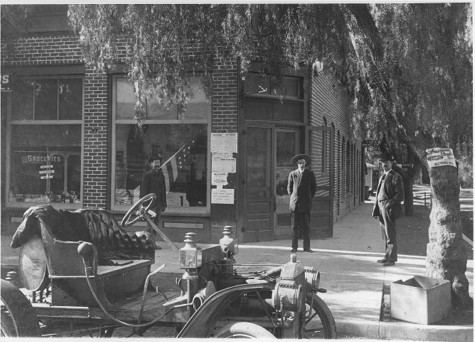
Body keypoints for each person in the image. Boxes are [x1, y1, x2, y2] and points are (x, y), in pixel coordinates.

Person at [372, 153, 404, 266]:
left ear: (392, 163)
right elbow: (378, 194)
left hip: (388, 208)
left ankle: (391, 258)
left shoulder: (396, 176)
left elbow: (400, 195)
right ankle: (386, 255)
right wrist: (376, 208)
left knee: (390, 233)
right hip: (380, 208)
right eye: (382, 162)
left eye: (387, 162)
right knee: (385, 234)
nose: (384, 164)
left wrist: (388, 204)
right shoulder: (383, 176)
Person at [287, 154, 317, 253]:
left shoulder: (310, 174)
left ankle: (307, 247)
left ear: (306, 164)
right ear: (297, 164)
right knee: (294, 227)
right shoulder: (293, 174)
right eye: (299, 163)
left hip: (305, 205)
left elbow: (313, 188)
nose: (301, 165)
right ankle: (294, 247)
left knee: (306, 227)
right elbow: (289, 188)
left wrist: (308, 198)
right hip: (295, 205)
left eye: (303, 163)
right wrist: (294, 197)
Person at [140, 154, 167, 249]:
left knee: (156, 225)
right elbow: (143, 191)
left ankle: (152, 243)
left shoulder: (161, 175)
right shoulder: (147, 175)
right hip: (150, 205)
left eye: (158, 162)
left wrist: (164, 204)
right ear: (151, 164)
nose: (157, 164)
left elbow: (163, 190)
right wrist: (144, 205)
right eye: (155, 162)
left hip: (158, 204)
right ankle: (144, 243)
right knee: (149, 224)